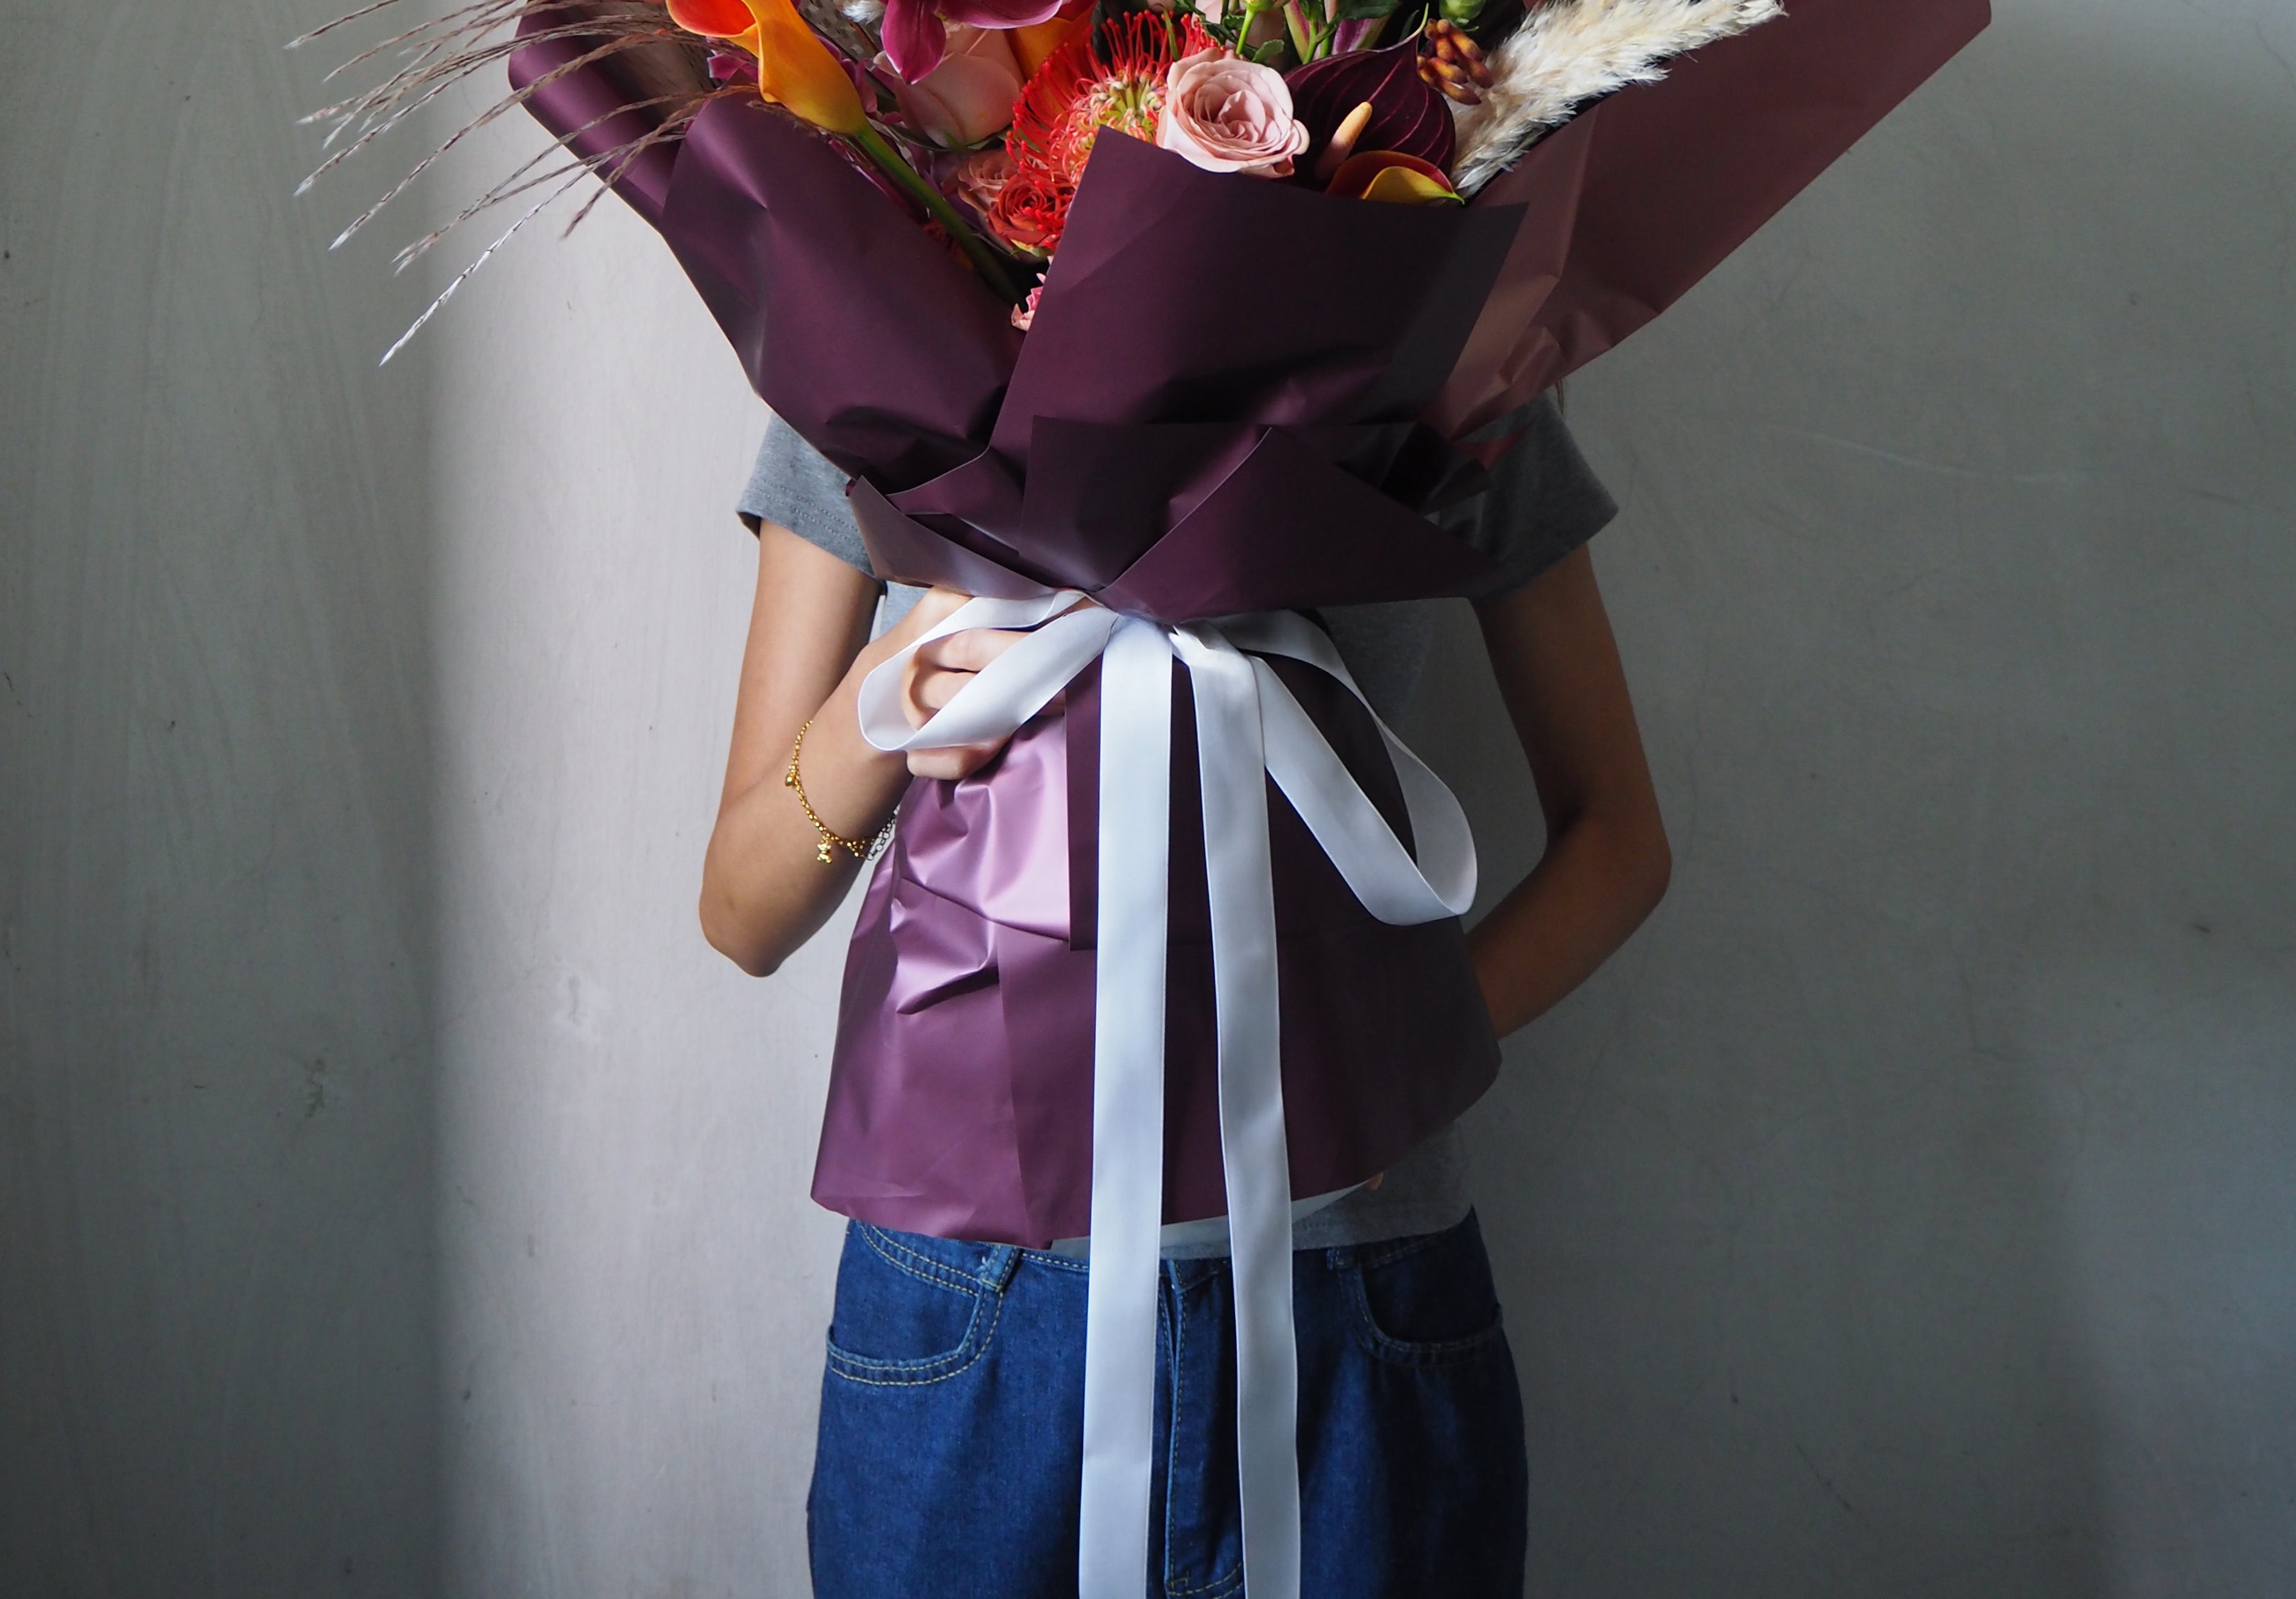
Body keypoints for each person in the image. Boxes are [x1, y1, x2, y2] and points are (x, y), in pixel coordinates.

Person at [702, 403, 1671, 1599]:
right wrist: (879, 708)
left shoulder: (1439, 338)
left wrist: (1388, 1065)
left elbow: (1618, 840)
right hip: (978, 1304)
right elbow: (743, 914)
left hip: (1355, 1308)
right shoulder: (877, 350)